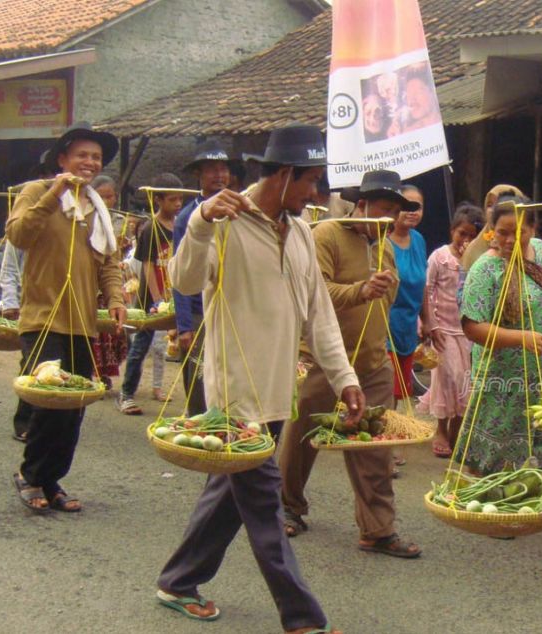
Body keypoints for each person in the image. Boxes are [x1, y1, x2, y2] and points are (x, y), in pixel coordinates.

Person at [157, 125, 361, 634]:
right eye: (311, 182)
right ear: (286, 175)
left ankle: (179, 580)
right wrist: (202, 221)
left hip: (277, 391)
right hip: (233, 396)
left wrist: (345, 378)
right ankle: (302, 617)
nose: (316, 194)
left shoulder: (300, 230)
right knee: (265, 507)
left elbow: (319, 315)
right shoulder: (222, 219)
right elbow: (182, 282)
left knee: (229, 495)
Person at [278, 170, 421, 559]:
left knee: (375, 446)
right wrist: (360, 291)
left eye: (395, 212)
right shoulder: (325, 235)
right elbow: (314, 293)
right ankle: (287, 507)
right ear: (362, 204)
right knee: (301, 438)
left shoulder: (385, 246)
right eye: (384, 209)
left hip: (373, 362)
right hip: (322, 359)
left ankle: (378, 530)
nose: (389, 219)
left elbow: (388, 299)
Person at [6, 122, 126, 513]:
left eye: (96, 157)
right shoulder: (37, 192)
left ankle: (52, 478)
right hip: (42, 318)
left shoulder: (98, 208)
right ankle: (31, 475)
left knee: (72, 409)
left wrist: (115, 298)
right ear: (62, 159)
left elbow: (108, 261)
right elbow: (19, 235)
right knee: (48, 403)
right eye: (82, 155)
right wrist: (55, 191)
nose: (90, 162)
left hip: (81, 321)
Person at [172, 139, 238, 416]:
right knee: (199, 376)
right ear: (199, 174)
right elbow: (180, 274)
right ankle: (199, 426)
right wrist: (184, 325)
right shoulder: (187, 217)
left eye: (223, 169)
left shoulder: (238, 211)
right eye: (212, 169)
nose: (219, 175)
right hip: (200, 310)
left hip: (233, 308)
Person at [118, 173, 183, 415]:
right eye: (172, 200)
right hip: (151, 298)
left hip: (175, 294)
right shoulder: (149, 229)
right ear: (158, 200)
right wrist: (157, 300)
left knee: (171, 345)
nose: (177, 205)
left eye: (180, 200)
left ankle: (163, 389)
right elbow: (146, 265)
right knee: (141, 347)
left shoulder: (180, 226)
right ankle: (126, 394)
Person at [419, 208, 481, 458]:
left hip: (467, 330)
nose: (465, 240)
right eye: (461, 233)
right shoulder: (439, 257)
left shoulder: (477, 260)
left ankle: (457, 431)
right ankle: (441, 430)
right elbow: (427, 287)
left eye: (471, 236)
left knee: (464, 382)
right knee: (446, 379)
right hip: (441, 328)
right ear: (452, 231)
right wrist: (428, 323)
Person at [386, 184, 429, 402]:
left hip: (408, 328)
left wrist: (427, 321)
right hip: (385, 328)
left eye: (417, 207)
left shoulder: (419, 240)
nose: (412, 211)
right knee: (385, 393)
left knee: (401, 396)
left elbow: (424, 285)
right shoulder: (381, 240)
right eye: (406, 206)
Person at [88, 174, 129, 392]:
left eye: (110, 197)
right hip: (88, 287)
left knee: (110, 335)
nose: (106, 201)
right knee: (93, 335)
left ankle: (105, 374)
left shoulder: (120, 222)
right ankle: (90, 373)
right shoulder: (83, 218)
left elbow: (118, 257)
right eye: (101, 196)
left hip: (110, 285)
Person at [0, 238, 29, 442]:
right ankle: (25, 422)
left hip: (62, 303)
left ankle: (51, 421)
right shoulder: (22, 226)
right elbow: (8, 268)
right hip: (29, 302)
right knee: (32, 362)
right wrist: (9, 302)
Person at [460, 183, 525, 272]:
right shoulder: (472, 249)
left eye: (499, 203)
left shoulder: (533, 246)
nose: (492, 210)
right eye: (489, 205)